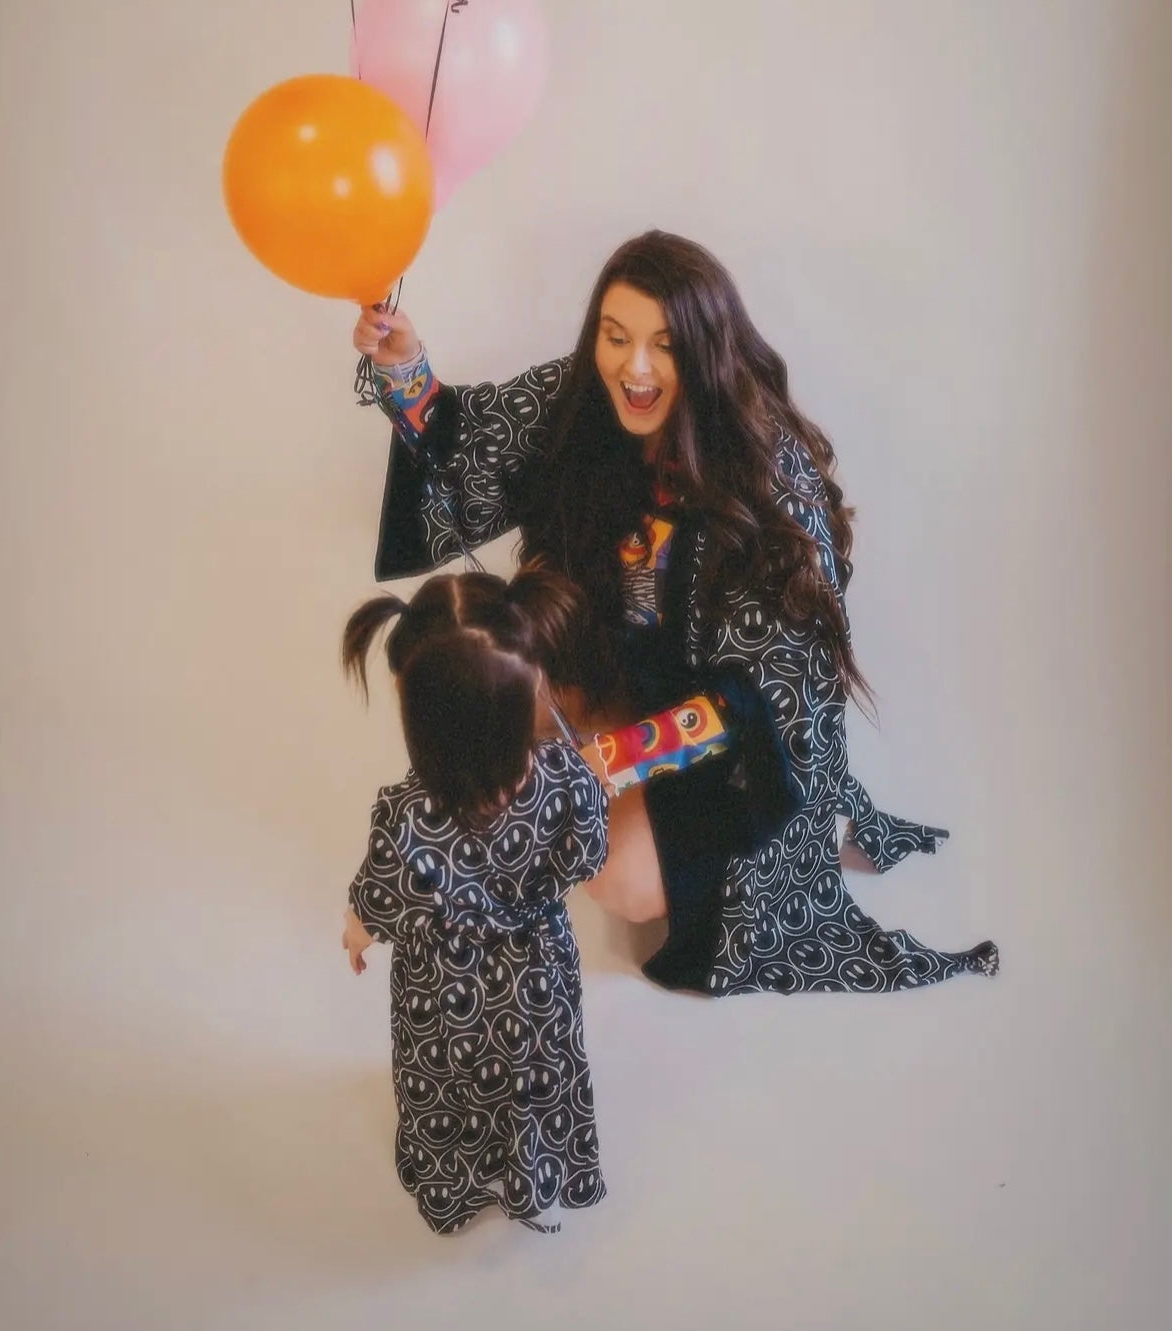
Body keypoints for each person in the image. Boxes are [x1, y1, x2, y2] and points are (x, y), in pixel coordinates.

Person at [352, 229, 998, 997]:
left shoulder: (769, 484)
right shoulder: (583, 400)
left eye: (665, 345)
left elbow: (767, 704)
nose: (635, 367)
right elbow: (473, 447)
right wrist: (404, 367)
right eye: (615, 336)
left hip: (729, 738)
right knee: (499, 692)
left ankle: (665, 834)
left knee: (616, 876)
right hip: (619, 662)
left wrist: (607, 761)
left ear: (707, 350)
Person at [342, 569, 609, 1235]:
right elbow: (589, 855)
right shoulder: (570, 780)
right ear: (532, 688)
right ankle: (534, 1177)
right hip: (539, 983)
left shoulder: (407, 818)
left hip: (444, 1001)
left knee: (444, 1089)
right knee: (537, 1076)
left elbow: (378, 902)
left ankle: (451, 1188)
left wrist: (356, 934)